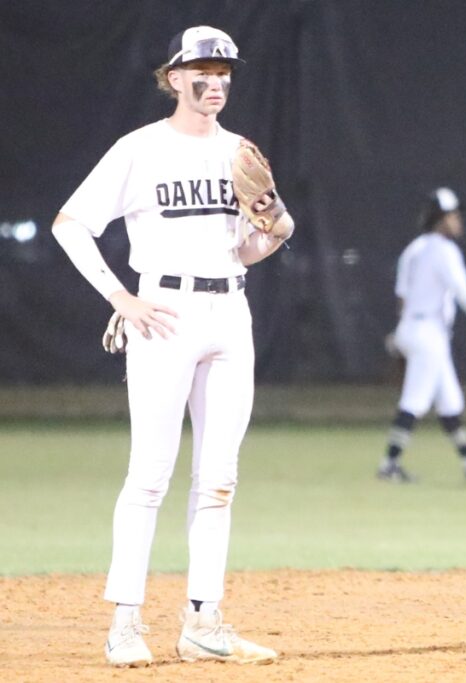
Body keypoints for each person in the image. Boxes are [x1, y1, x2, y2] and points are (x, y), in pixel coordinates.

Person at [51, 26, 291, 666]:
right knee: (149, 476)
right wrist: (120, 299)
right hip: (164, 314)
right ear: (175, 78)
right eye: (203, 71)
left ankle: (204, 623)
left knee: (220, 481)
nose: (215, 82)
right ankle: (124, 627)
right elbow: (70, 225)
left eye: (225, 72)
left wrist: (275, 228)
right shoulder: (141, 149)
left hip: (229, 309)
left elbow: (246, 246)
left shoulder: (239, 151)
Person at [378, 187, 466, 483]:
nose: (458, 221)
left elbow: (401, 297)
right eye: (452, 215)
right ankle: (389, 464)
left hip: (414, 329)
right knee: (414, 401)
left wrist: (403, 335)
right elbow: (464, 294)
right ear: (439, 219)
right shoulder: (445, 250)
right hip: (428, 334)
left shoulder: (414, 249)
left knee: (450, 402)